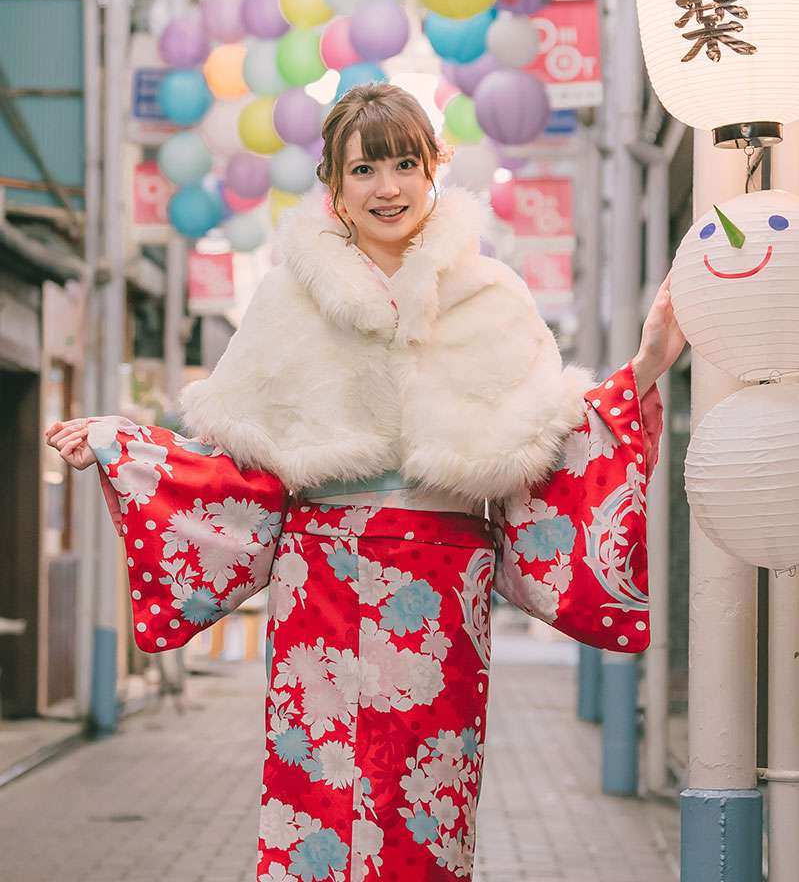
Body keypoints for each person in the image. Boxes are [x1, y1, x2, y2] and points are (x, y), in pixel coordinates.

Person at [47, 83, 683, 882]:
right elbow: (240, 476)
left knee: (426, 805)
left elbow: (553, 456)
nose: (388, 187)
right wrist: (119, 446)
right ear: (334, 187)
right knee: (314, 804)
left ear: (433, 170)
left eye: (405, 164)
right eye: (364, 169)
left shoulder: (492, 298)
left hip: (442, 588)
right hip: (319, 586)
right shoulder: (288, 301)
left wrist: (647, 366)